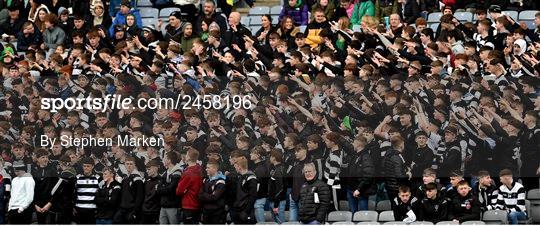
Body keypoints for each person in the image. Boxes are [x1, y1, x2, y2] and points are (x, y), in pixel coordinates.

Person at [176, 148, 203, 224]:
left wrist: (184, 190)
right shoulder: (199, 169)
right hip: (197, 203)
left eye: (187, 154)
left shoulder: (188, 172)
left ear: (189, 157)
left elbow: (179, 191)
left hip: (189, 204)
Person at [113, 156, 144, 224]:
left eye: (131, 164)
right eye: (127, 164)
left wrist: (135, 212)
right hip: (122, 209)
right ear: (124, 165)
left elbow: (140, 197)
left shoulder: (138, 179)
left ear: (134, 165)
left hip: (131, 210)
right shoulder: (125, 178)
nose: (129, 166)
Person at [156, 151, 182, 224]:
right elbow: (160, 186)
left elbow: (171, 189)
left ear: (169, 160)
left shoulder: (177, 172)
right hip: (163, 205)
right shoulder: (165, 172)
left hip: (172, 205)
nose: (163, 160)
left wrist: (160, 189)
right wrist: (161, 188)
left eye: (165, 158)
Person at [199, 159, 227, 224]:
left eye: (208, 168)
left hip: (217, 214)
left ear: (215, 169)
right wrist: (209, 195)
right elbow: (199, 195)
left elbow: (214, 197)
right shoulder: (206, 180)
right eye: (206, 167)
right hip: (206, 212)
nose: (206, 169)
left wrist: (204, 194)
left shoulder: (221, 181)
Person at [74, 157, 100, 224]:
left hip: (92, 210)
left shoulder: (98, 178)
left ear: (92, 166)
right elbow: (73, 193)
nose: (86, 168)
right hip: (79, 209)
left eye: (88, 166)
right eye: (84, 166)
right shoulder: (77, 178)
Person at [232, 157, 258, 224]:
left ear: (239, 166)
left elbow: (253, 196)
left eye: (235, 166)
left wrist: (246, 211)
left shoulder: (251, 178)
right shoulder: (240, 177)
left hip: (246, 211)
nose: (235, 168)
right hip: (239, 209)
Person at [267, 150, 287, 223]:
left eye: (270, 156)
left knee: (280, 222)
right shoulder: (275, 169)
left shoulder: (279, 170)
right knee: (275, 222)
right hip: (274, 200)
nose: (269, 158)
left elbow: (281, 188)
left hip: (278, 202)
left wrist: (276, 204)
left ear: (274, 158)